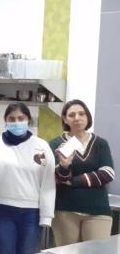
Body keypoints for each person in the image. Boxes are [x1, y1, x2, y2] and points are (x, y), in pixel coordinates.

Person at [0, 103, 55, 254]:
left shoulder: (41, 146)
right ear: (5, 121)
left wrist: (46, 216)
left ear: (28, 120)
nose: (16, 122)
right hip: (1, 209)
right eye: (11, 119)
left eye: (21, 118)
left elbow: (48, 183)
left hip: (32, 212)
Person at [49, 99, 115, 246]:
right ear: (65, 119)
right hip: (65, 211)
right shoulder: (55, 144)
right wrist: (64, 166)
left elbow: (107, 173)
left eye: (81, 114)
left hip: (98, 211)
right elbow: (57, 178)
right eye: (71, 115)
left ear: (87, 117)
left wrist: (73, 181)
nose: (77, 118)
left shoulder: (100, 143)